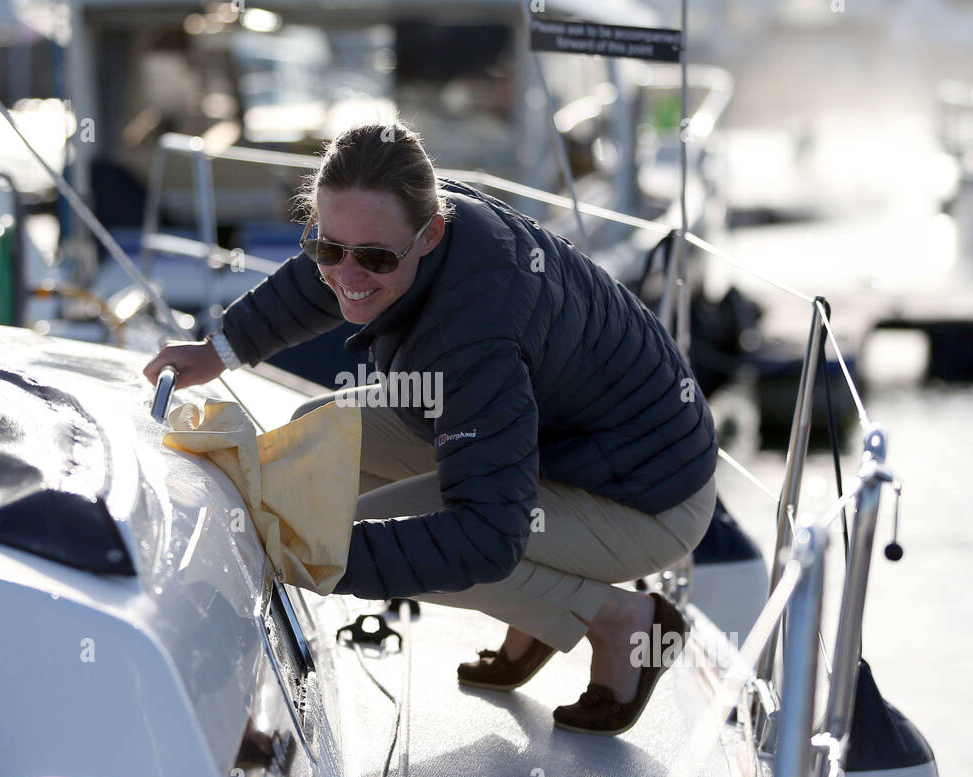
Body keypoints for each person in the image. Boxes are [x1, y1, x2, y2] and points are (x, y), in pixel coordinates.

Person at [143, 121, 719, 735]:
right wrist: (220, 349)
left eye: (376, 257)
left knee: (331, 533)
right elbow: (334, 280)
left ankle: (621, 621)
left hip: (647, 496)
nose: (348, 272)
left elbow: (485, 537)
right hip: (561, 444)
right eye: (327, 245)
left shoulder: (477, 332)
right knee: (316, 439)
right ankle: (541, 613)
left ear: (430, 234)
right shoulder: (412, 219)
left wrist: (328, 565)